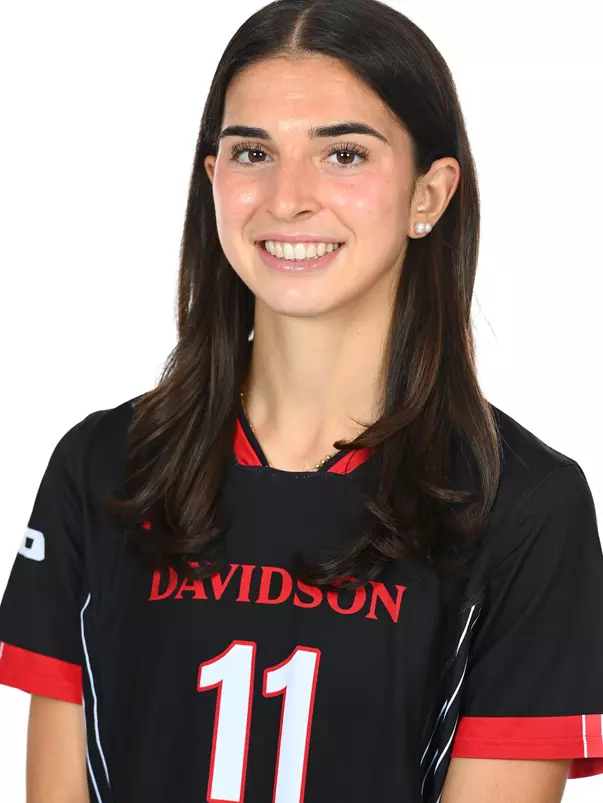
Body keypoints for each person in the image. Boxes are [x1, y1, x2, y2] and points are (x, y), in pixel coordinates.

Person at [1, 0, 602, 801]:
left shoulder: (523, 505)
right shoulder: (103, 466)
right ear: (212, 177)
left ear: (429, 193)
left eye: (344, 154)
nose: (287, 198)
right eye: (252, 151)